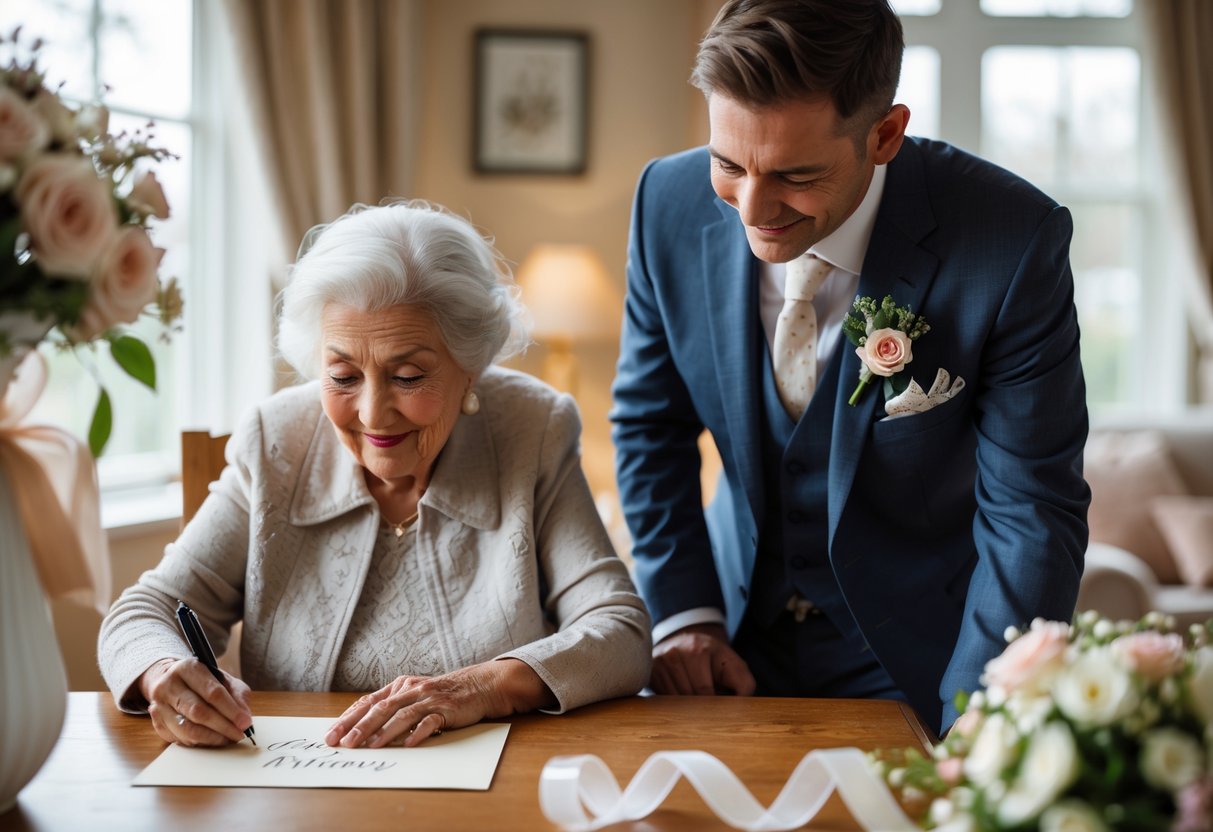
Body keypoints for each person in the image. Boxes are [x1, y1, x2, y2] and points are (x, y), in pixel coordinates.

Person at [610, 0, 1089, 735]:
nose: (751, 207)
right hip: (728, 649)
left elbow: (1029, 509)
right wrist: (686, 616)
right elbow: (649, 427)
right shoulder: (663, 204)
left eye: (795, 175)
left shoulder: (1010, 242)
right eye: (727, 164)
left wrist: (984, 713)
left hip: (923, 661)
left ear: (885, 135)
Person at [99, 200, 651, 748]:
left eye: (408, 376)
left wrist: (482, 686)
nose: (371, 413)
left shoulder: (532, 430)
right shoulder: (276, 441)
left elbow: (619, 631)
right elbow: (142, 613)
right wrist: (164, 670)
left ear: (471, 366)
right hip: (302, 795)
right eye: (341, 375)